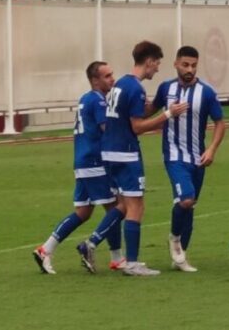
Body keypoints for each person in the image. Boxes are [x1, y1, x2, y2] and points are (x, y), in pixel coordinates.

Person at [76, 41, 188, 276]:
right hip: (126, 153)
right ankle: (132, 263)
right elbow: (137, 126)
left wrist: (158, 106)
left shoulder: (121, 84)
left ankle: (92, 243)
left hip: (109, 153)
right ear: (149, 61)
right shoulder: (135, 88)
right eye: (157, 63)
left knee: (123, 205)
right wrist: (168, 114)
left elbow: (135, 112)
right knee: (136, 207)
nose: (157, 68)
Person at [32, 61, 123, 274]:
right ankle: (115, 257)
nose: (112, 79)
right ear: (95, 80)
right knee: (117, 207)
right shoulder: (98, 101)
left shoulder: (85, 98)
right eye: (107, 76)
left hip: (82, 161)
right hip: (95, 162)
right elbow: (107, 129)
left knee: (83, 212)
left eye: (112, 74)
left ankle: (45, 250)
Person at [145, 46, 226, 272]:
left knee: (190, 207)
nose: (189, 69)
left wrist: (212, 149)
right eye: (185, 65)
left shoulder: (206, 92)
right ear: (176, 64)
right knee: (186, 199)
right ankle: (174, 238)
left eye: (193, 65)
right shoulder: (166, 88)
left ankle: (181, 257)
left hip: (198, 158)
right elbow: (149, 111)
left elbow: (220, 123)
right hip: (174, 156)